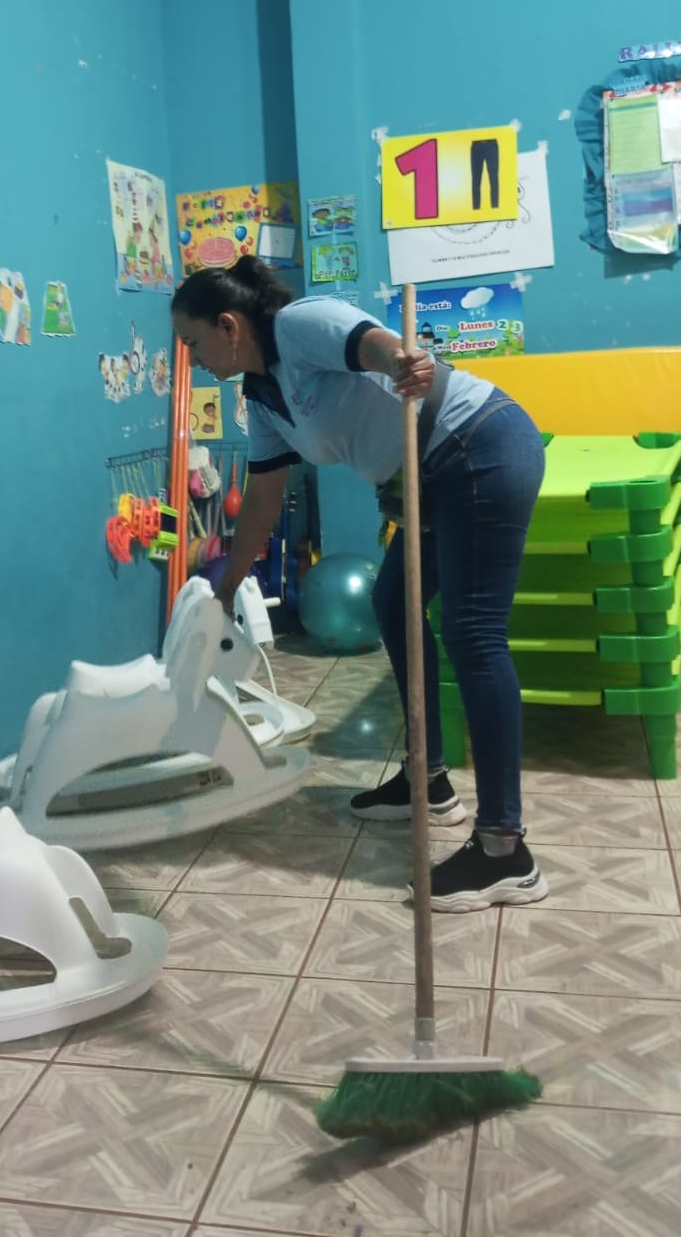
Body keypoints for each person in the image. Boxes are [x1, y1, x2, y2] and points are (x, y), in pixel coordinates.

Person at [171, 256, 548, 912]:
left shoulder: (297, 324)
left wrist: (403, 361)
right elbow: (262, 499)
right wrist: (226, 587)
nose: (194, 359)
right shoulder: (262, 397)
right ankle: (429, 781)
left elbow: (370, 343)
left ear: (228, 325)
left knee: (472, 633)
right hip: (426, 476)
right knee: (393, 604)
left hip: (476, 445)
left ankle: (503, 851)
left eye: (194, 342)